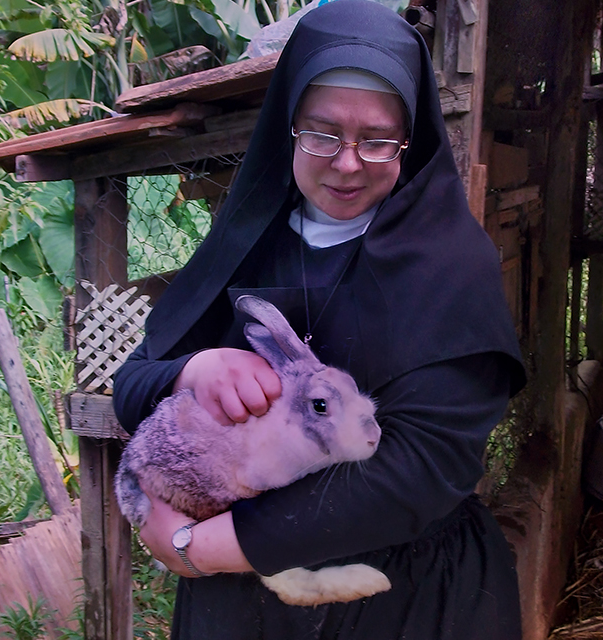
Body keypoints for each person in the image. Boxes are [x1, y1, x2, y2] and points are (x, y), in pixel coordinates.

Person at [113, 1, 527, 638]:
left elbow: (425, 467)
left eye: (378, 140)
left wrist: (204, 546)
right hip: (245, 611)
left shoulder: (453, 266)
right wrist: (194, 369)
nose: (348, 162)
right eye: (323, 133)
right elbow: (132, 386)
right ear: (289, 127)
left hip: (408, 598)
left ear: (410, 137)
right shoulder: (245, 239)